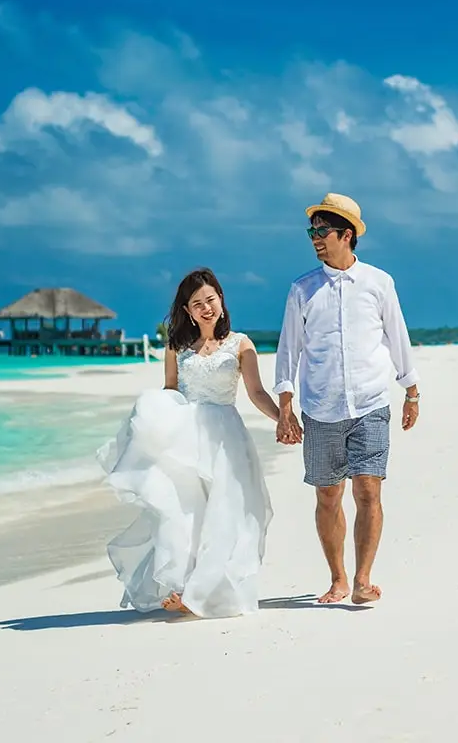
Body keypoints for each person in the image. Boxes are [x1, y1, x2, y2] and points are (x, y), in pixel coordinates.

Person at [96, 268, 278, 618]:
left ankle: (208, 589)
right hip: (185, 436)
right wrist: (151, 428)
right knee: (185, 512)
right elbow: (171, 391)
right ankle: (184, 587)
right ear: (187, 311)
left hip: (226, 437)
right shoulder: (176, 347)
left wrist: (283, 418)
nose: (205, 308)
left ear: (221, 301)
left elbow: (255, 392)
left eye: (210, 299)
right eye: (197, 304)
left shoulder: (241, 344)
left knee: (226, 513)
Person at [273, 192, 421, 606]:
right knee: (327, 495)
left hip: (371, 403)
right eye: (312, 231)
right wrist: (284, 405)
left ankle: (362, 579)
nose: (315, 239)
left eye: (322, 231)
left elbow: (398, 337)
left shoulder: (379, 283)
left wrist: (411, 390)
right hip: (320, 409)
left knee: (369, 491)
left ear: (347, 234)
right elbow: (289, 350)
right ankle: (337, 578)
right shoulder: (303, 289)